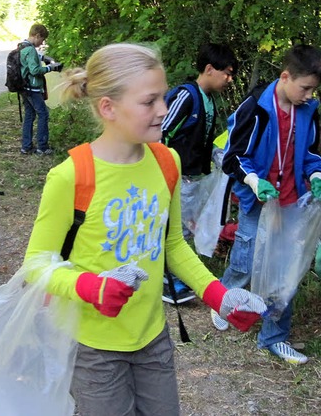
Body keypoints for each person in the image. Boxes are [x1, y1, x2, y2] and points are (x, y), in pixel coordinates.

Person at [23, 43, 266, 414]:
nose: (164, 110)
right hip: (92, 346)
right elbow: (37, 265)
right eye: (149, 101)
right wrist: (91, 286)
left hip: (152, 338)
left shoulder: (166, 161)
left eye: (163, 98)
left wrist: (218, 295)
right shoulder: (71, 176)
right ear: (109, 107)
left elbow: (172, 246)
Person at [212, 44, 321, 365]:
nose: (308, 95)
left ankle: (274, 336)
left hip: (292, 203)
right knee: (245, 262)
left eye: (314, 90)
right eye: (305, 88)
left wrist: (315, 175)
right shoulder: (256, 107)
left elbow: (313, 154)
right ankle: (222, 301)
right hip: (257, 201)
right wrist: (253, 181)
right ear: (285, 76)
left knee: (285, 270)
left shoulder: (309, 111)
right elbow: (233, 157)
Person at [160, 43, 238, 305]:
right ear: (208, 68)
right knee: (174, 230)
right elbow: (161, 133)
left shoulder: (209, 100)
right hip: (175, 176)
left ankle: (173, 273)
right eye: (226, 72)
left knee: (184, 228)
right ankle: (167, 280)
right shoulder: (187, 95)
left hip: (194, 177)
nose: (230, 79)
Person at [19, 23, 62, 156]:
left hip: (24, 87)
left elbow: (31, 59)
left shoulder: (22, 46)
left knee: (30, 115)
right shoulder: (31, 49)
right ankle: (42, 147)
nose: (42, 43)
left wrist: (44, 58)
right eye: (42, 39)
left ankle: (26, 147)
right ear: (37, 36)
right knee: (43, 114)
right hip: (33, 88)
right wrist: (51, 68)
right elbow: (35, 70)